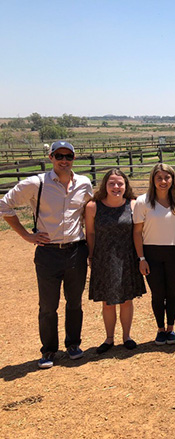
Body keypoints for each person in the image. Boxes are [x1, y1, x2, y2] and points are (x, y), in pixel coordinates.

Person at [0, 141, 92, 369]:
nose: (64, 160)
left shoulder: (84, 183)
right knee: (48, 306)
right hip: (48, 253)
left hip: (76, 250)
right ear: (50, 157)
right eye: (59, 155)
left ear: (74, 158)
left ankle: (73, 344)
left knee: (75, 302)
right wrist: (26, 235)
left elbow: (87, 213)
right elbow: (4, 205)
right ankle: (49, 350)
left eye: (68, 156)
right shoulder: (36, 183)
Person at [86, 169, 146, 353]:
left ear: (126, 185)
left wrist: (141, 257)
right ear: (105, 185)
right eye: (111, 183)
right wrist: (91, 255)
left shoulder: (134, 205)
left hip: (127, 257)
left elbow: (138, 233)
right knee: (108, 302)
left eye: (120, 183)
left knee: (127, 300)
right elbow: (90, 233)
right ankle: (109, 338)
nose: (116, 187)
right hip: (104, 258)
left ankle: (127, 336)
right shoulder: (93, 207)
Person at [133, 163, 175, 346]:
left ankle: (171, 329)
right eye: (159, 178)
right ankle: (160, 329)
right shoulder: (143, 202)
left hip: (174, 251)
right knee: (157, 293)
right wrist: (141, 258)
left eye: (167, 177)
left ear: (172, 179)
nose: (163, 181)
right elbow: (137, 232)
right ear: (153, 180)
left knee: (172, 292)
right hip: (151, 253)